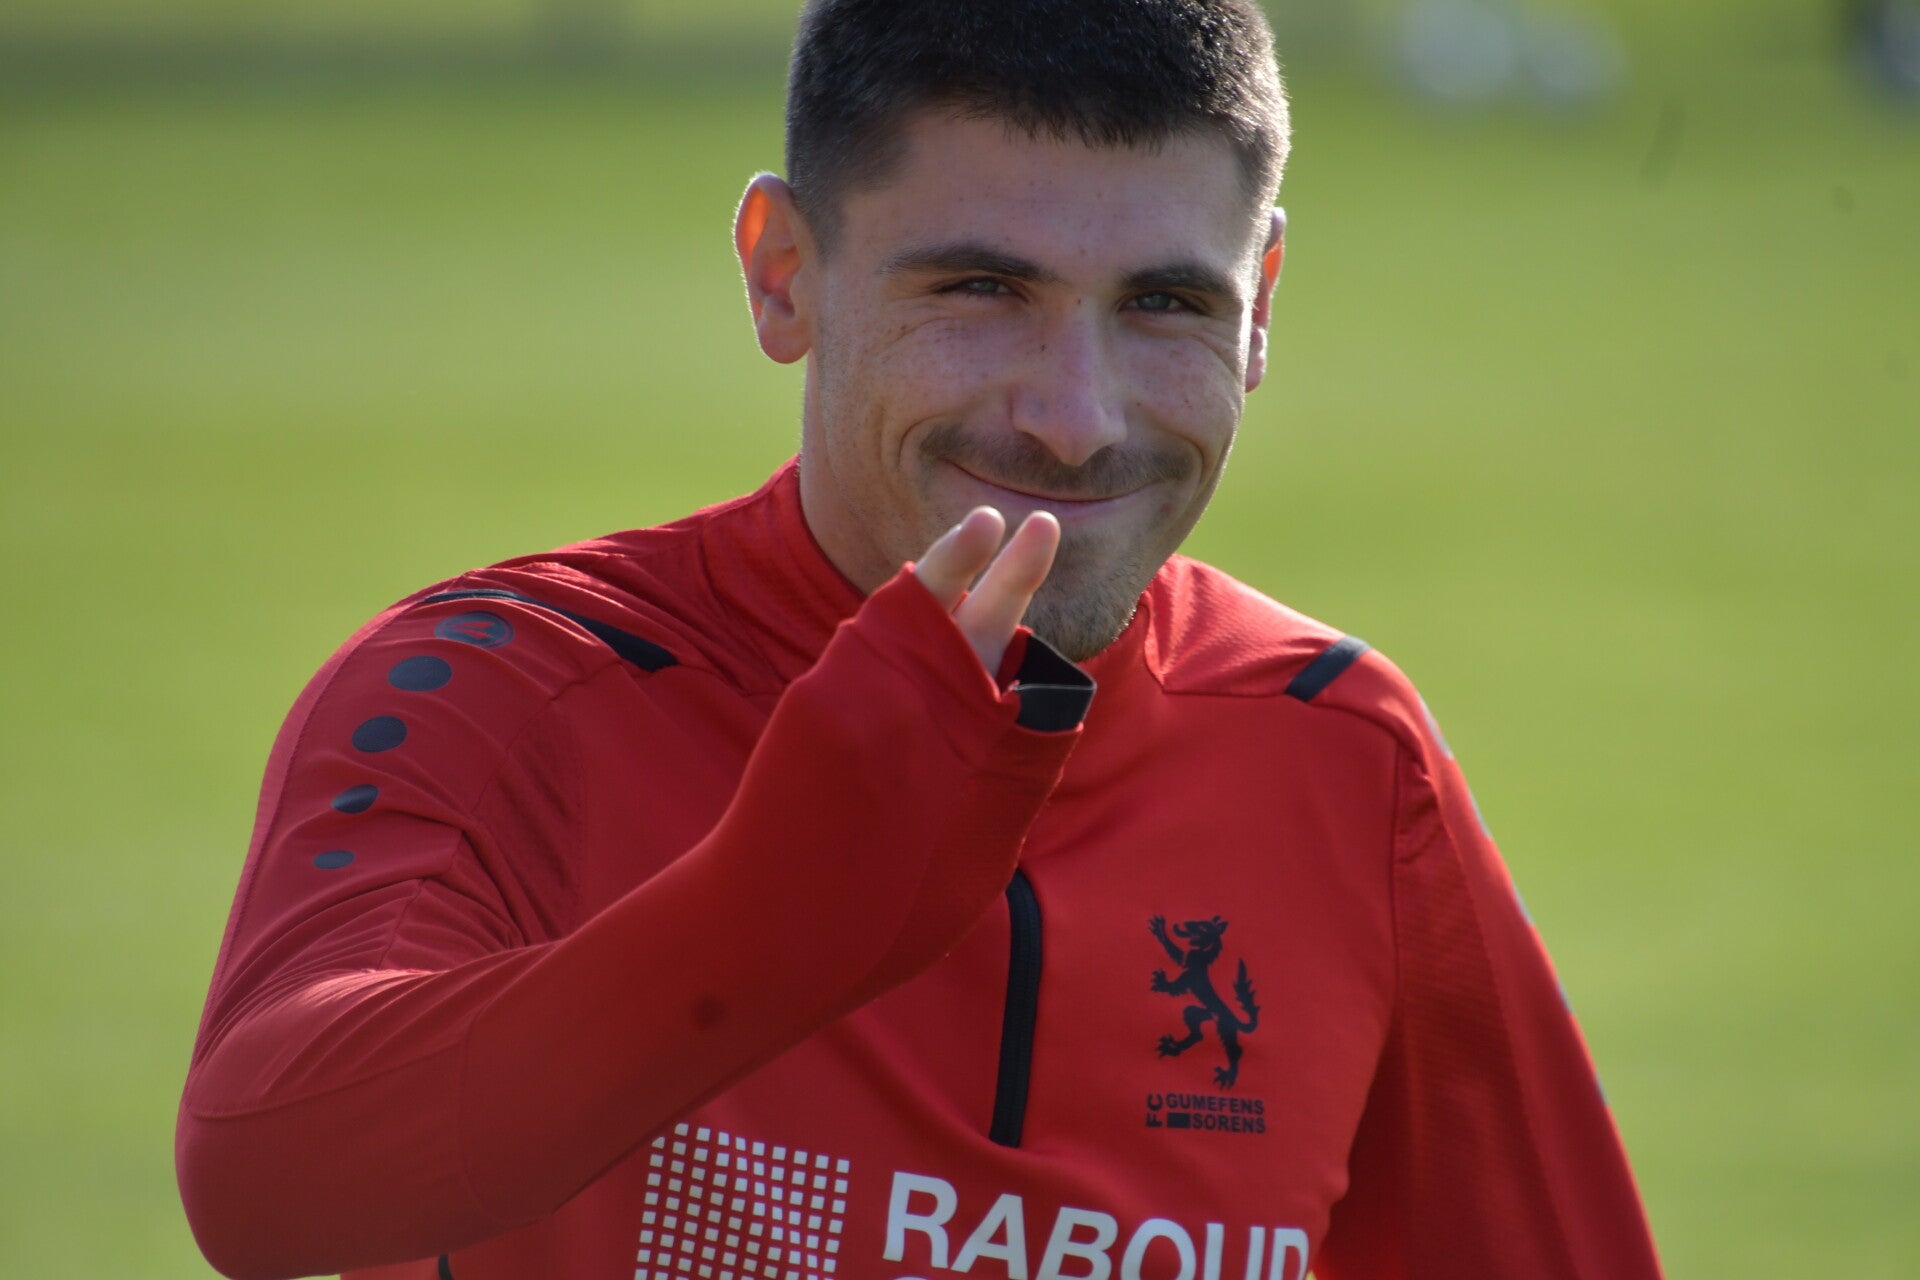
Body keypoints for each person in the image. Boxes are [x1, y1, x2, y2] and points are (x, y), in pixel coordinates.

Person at [176, 3, 1665, 1278]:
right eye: (979, 289)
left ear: (1260, 304)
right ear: (782, 272)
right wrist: (770, 913)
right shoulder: (509, 690)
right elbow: (262, 1178)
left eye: (1165, 303)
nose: (1075, 419)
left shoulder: (1340, 751)